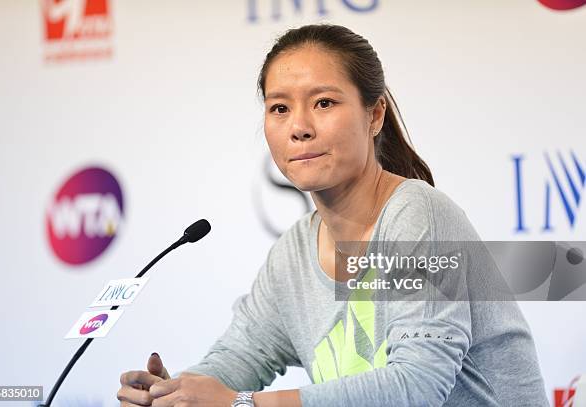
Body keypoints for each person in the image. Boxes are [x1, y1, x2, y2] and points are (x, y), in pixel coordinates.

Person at [117, 24, 548, 406]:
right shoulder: (293, 253)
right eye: (279, 108)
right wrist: (173, 395)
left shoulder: (417, 213)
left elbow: (418, 385)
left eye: (323, 103)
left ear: (374, 114)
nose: (298, 127)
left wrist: (241, 405)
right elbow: (241, 356)